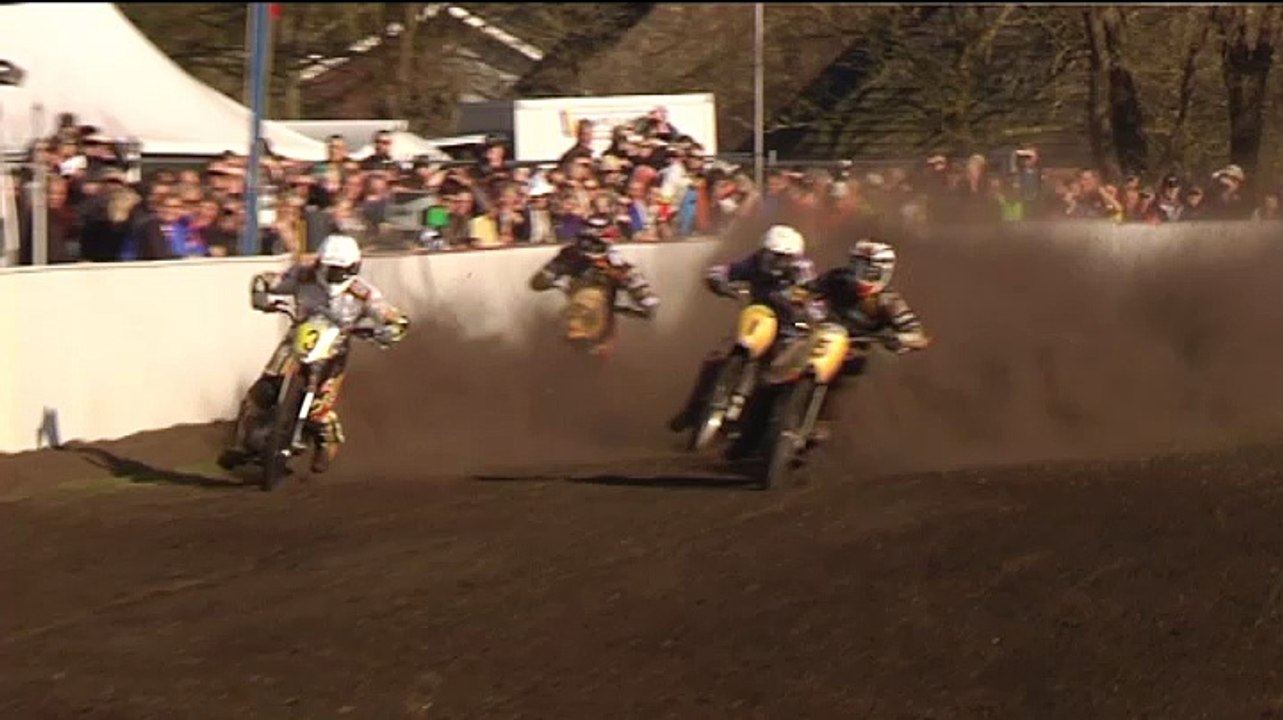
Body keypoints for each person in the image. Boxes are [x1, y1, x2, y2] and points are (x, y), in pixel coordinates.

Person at [217, 234, 410, 474]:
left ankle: (327, 437)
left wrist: (388, 329)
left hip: (335, 347)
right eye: (327, 267)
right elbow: (266, 281)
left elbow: (390, 315)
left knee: (318, 410)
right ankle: (243, 444)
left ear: (353, 268)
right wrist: (261, 296)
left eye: (337, 270)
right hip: (298, 338)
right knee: (260, 394)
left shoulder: (363, 293)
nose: (330, 274)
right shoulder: (303, 275)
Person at [668, 225, 822, 433]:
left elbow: (813, 296)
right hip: (756, 317)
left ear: (793, 257)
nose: (775, 261)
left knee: (780, 375)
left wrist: (810, 309)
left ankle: (768, 428)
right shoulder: (755, 261)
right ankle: (693, 409)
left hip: (788, 326)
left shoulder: (802, 269)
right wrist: (718, 279)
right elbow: (727, 270)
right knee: (716, 358)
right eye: (771, 255)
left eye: (782, 257)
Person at [802, 238, 930, 446]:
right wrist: (803, 303)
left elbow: (916, 332)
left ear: (885, 272)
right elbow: (806, 290)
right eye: (858, 267)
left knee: (845, 382)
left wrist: (899, 339)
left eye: (870, 271)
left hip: (854, 349)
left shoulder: (889, 301)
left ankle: (823, 420)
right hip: (816, 337)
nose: (862, 275)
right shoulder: (836, 279)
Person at [529, 215, 660, 354]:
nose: (592, 251)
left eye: (595, 244)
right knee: (585, 300)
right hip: (576, 310)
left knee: (592, 299)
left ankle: (587, 338)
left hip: (602, 321)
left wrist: (645, 299)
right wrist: (554, 275)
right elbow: (537, 283)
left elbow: (635, 282)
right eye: (588, 242)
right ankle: (576, 332)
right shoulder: (570, 256)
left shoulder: (615, 262)